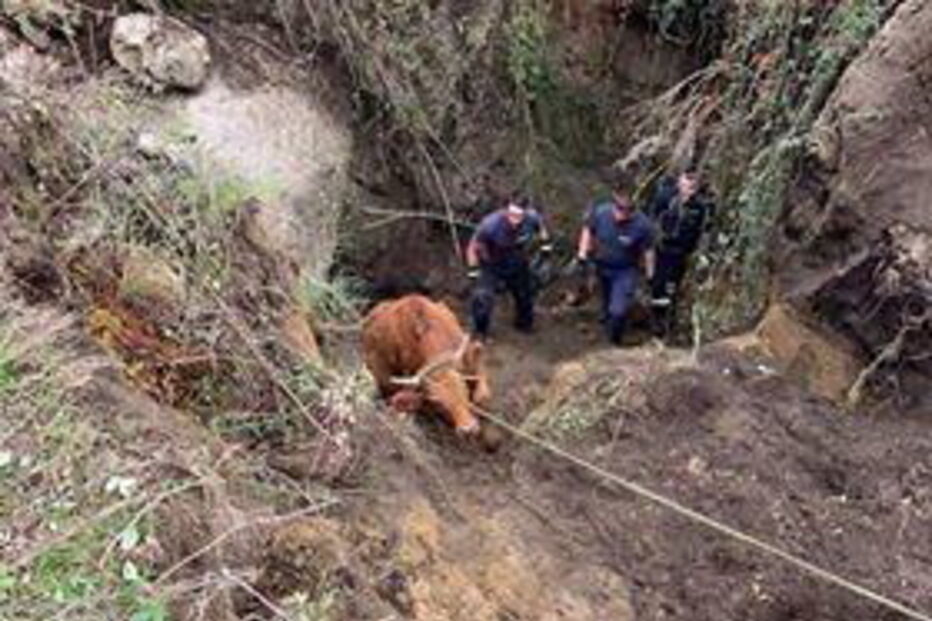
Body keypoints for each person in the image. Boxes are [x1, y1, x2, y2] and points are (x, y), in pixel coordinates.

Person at [576, 182, 654, 345]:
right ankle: (606, 322)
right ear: (613, 206)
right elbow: (588, 229)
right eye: (619, 209)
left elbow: (648, 251)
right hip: (602, 265)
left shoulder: (642, 225)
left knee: (618, 309)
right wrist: (582, 254)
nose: (622, 215)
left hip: (625, 270)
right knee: (606, 299)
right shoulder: (601, 213)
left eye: (627, 211)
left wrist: (650, 274)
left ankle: (615, 339)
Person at [466, 194, 552, 339]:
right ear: (506, 211)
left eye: (519, 216)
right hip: (491, 262)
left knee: (526, 293)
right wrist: (473, 271)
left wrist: (546, 249)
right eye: (511, 214)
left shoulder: (532, 218)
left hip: (516, 259)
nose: (514, 219)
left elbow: (541, 228)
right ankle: (480, 332)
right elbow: (472, 247)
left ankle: (524, 325)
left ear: (525, 213)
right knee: (482, 297)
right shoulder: (490, 225)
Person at [647, 168, 713, 337]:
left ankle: (670, 320)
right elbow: (651, 218)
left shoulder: (701, 206)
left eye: (694, 181)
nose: (691, 184)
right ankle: (657, 320)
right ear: (680, 181)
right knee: (658, 284)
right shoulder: (665, 197)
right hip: (662, 249)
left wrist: (701, 252)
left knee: (674, 286)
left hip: (682, 252)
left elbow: (704, 230)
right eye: (687, 179)